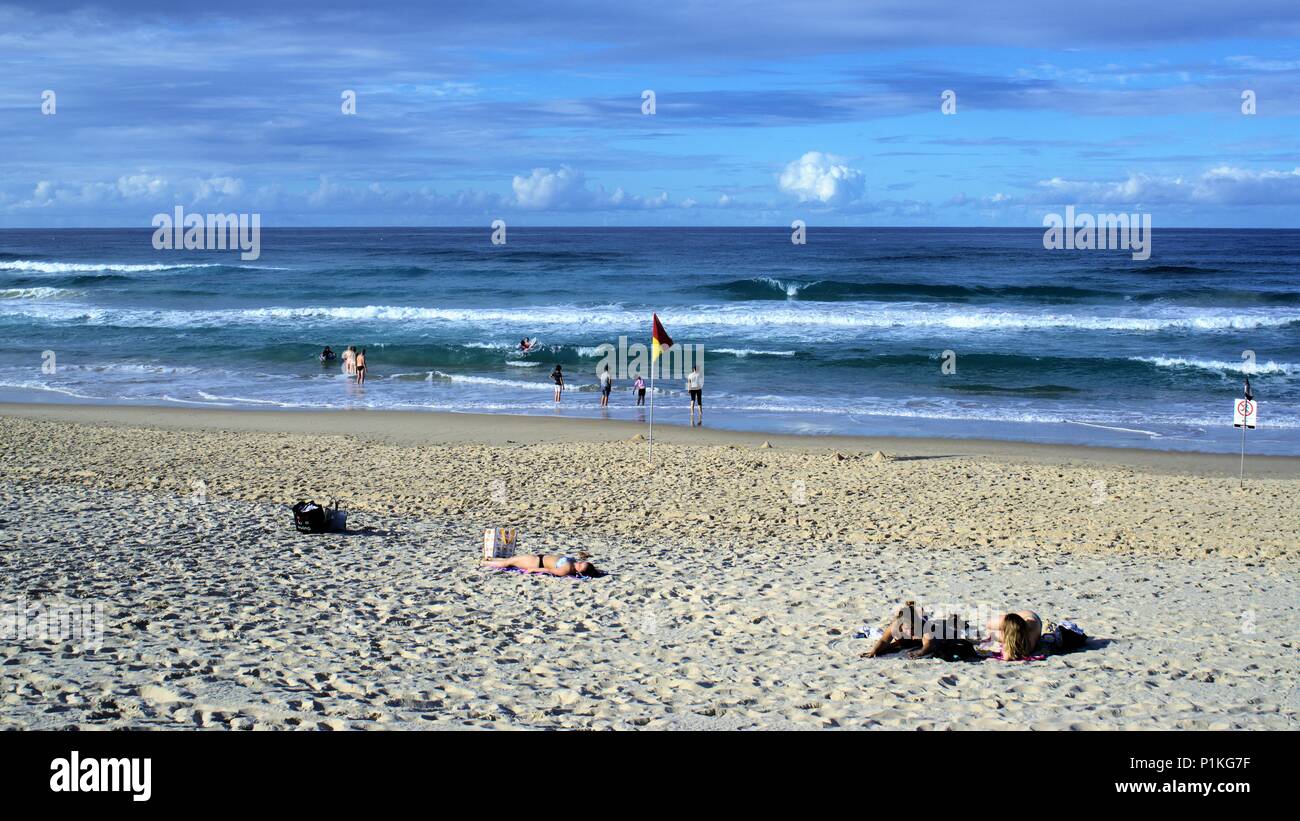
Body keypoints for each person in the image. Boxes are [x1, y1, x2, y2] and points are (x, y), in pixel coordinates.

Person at [483, 552, 602, 577]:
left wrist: (532, 570)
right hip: (537, 557)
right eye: (582, 562)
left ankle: (484, 562)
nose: (579, 563)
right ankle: (490, 559)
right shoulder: (572, 563)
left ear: (579, 571)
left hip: (535, 562)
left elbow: (550, 570)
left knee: (508, 563)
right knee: (511, 559)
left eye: (581, 566)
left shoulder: (566, 569)